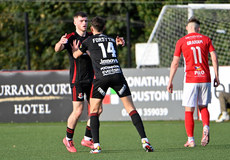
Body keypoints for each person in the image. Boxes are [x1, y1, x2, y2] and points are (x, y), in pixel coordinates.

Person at [71, 16, 154, 154]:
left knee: (94, 111)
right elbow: (114, 46)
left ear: (92, 28)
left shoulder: (88, 41)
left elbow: (76, 55)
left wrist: (76, 49)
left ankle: (96, 145)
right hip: (117, 75)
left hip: (101, 78)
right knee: (131, 108)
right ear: (104, 28)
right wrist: (122, 42)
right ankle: (145, 140)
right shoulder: (110, 39)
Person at [167, 17, 220, 148]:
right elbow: (214, 56)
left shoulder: (181, 41)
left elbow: (175, 63)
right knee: (203, 107)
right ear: (198, 28)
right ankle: (206, 127)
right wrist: (217, 76)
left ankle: (191, 139)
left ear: (187, 28)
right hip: (205, 78)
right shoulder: (206, 39)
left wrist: (170, 81)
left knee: (189, 110)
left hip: (191, 79)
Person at [54, 11, 102, 153]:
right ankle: (68, 139)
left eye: (86, 21)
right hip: (78, 80)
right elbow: (57, 49)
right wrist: (60, 43)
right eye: (81, 21)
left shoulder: (91, 37)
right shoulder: (70, 37)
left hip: (92, 79)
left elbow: (97, 54)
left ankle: (87, 139)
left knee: (97, 110)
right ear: (75, 22)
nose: (84, 23)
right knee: (78, 111)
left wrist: (83, 51)